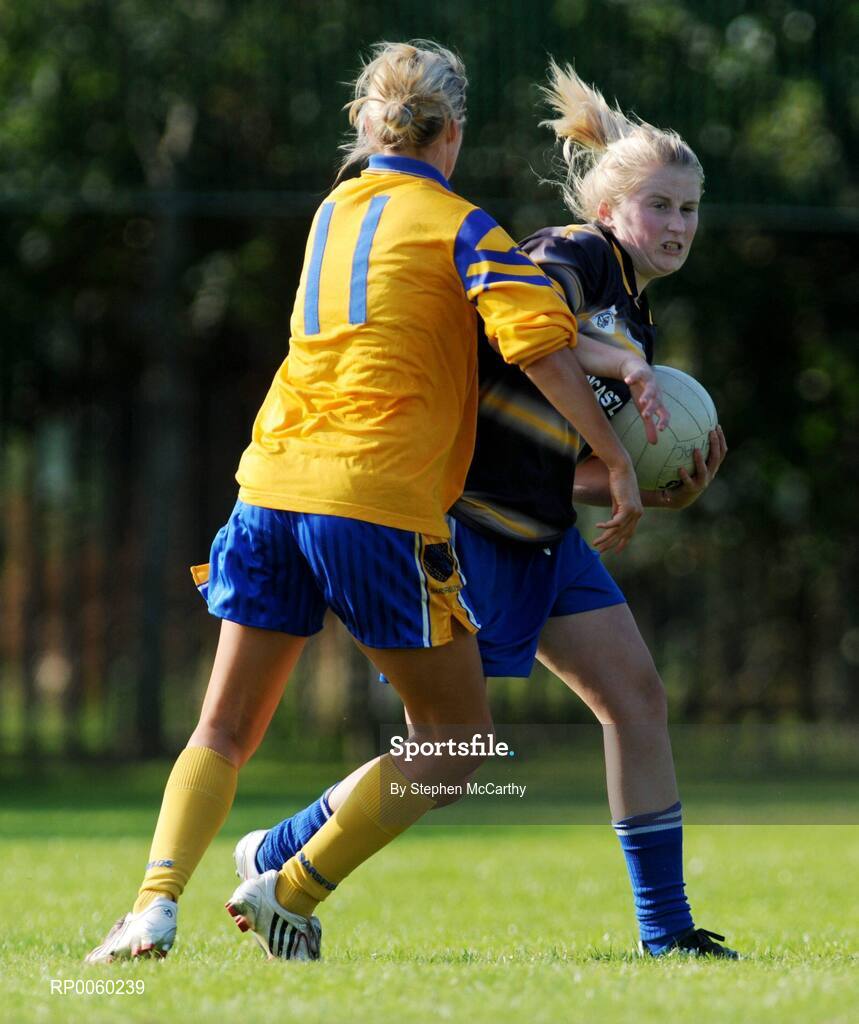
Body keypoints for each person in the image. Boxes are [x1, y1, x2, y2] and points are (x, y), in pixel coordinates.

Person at [84, 43, 660, 964]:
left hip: (269, 484)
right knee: (457, 742)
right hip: (372, 500)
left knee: (224, 728)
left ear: (368, 122)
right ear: (454, 133)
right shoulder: (464, 225)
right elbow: (538, 349)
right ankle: (291, 887)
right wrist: (616, 462)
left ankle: (152, 905)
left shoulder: (331, 210)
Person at [235, 61, 737, 960]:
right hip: (477, 532)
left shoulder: (633, 313)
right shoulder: (574, 256)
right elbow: (517, 320)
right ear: (611, 208)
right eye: (660, 205)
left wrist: (644, 485)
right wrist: (618, 397)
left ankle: (667, 935)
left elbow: (553, 459)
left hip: (541, 532)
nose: (677, 225)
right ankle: (287, 867)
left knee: (635, 699)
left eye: (690, 209)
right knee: (456, 750)